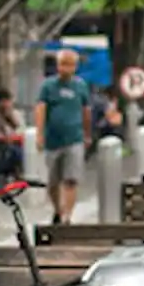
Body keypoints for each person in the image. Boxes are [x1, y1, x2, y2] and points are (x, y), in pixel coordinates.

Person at [34, 49, 92, 226]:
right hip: (53, 140)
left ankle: (67, 216)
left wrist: (87, 133)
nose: (66, 68)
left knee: (71, 179)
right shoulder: (48, 86)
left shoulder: (81, 86)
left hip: (74, 139)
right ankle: (58, 210)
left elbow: (86, 111)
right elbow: (41, 109)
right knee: (53, 181)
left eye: (70, 64)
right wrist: (39, 134)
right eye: (63, 64)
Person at [0, 89, 25, 180]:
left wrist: (10, 118)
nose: (5, 105)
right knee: (11, 151)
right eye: (3, 102)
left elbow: (21, 131)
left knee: (19, 150)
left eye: (7, 101)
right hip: (1, 146)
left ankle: (19, 173)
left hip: (16, 143)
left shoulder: (16, 114)